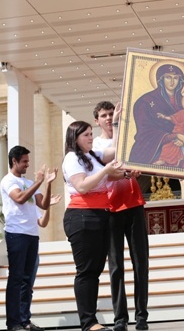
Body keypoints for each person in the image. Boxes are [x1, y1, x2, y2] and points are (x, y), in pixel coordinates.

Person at [62, 120, 130, 331]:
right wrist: (105, 171)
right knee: (86, 271)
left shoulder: (92, 155)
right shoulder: (72, 158)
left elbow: (117, 149)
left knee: (94, 270)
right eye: (86, 135)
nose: (91, 138)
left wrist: (116, 124)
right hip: (82, 216)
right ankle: (88, 322)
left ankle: (91, 320)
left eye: (92, 134)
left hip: (100, 214)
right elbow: (82, 186)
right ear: (75, 138)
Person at [92, 101, 149, 331]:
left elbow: (140, 161)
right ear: (97, 120)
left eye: (110, 115)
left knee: (140, 263)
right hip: (110, 208)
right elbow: (107, 166)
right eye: (103, 115)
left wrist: (137, 170)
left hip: (134, 204)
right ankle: (120, 318)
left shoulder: (129, 137)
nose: (107, 118)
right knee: (115, 266)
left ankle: (142, 316)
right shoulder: (95, 144)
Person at [1, 146, 56, 331]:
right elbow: (20, 198)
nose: (27, 165)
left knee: (27, 281)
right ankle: (13, 322)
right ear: (14, 161)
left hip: (32, 234)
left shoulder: (30, 181)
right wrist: (38, 183)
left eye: (27, 161)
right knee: (16, 279)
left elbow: (44, 203)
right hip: (16, 234)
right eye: (24, 161)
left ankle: (25, 320)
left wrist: (47, 183)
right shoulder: (8, 181)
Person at [129, 64, 184, 169]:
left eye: (176, 78)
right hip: (153, 151)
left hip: (182, 149)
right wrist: (174, 136)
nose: (172, 82)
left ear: (180, 81)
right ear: (161, 79)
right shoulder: (145, 101)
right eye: (168, 77)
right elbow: (144, 132)